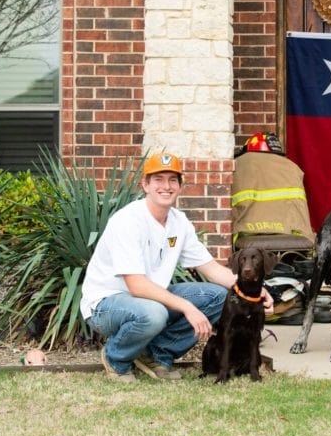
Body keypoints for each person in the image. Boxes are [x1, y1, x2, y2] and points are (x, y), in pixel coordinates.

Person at [80, 151, 273, 382]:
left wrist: (257, 293)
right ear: (145, 185)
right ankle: (116, 358)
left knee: (221, 297)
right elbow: (136, 285)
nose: (166, 186)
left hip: (150, 298)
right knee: (154, 313)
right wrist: (188, 308)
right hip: (107, 303)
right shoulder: (128, 220)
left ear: (180, 186)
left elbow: (212, 270)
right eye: (158, 179)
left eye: (173, 180)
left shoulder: (178, 222)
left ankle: (157, 354)